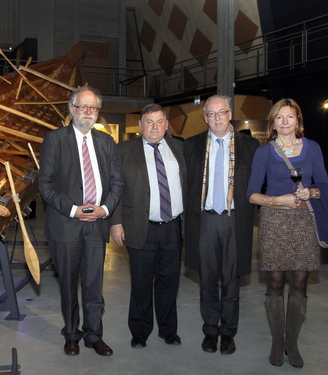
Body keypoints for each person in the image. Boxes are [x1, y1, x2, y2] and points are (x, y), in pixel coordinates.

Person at [38, 86, 123, 357]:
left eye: (93, 108)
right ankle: (71, 334)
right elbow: (45, 184)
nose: (88, 112)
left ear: (98, 112)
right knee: (68, 285)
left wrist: (106, 209)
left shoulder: (106, 142)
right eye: (83, 107)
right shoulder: (55, 140)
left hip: (97, 225)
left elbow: (117, 182)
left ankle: (94, 336)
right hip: (66, 225)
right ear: (72, 109)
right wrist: (73, 210)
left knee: (93, 285)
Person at [247, 98, 328, 368]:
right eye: (279, 117)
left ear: (298, 120)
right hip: (274, 222)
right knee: (274, 283)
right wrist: (277, 201)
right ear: (273, 123)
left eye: (289, 117)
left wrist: (312, 192)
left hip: (305, 220)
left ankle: (291, 344)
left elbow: (324, 185)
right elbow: (251, 194)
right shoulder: (264, 152)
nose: (284, 122)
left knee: (299, 283)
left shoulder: (313, 148)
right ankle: (276, 341)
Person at [184, 94, 259, 355]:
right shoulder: (191, 146)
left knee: (231, 280)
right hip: (204, 221)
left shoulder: (250, 146)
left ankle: (228, 332)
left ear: (230, 114)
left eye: (221, 112)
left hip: (234, 221)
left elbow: (260, 183)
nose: (216, 118)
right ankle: (210, 330)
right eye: (211, 114)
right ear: (205, 118)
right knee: (207, 280)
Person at [110, 104, 185, 349]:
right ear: (140, 125)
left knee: (169, 282)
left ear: (166, 125)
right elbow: (116, 189)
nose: (154, 127)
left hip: (173, 227)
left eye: (159, 121)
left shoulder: (179, 148)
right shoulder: (123, 150)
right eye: (149, 122)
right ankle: (140, 332)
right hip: (140, 227)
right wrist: (116, 221)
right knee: (141, 283)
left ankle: (168, 330)